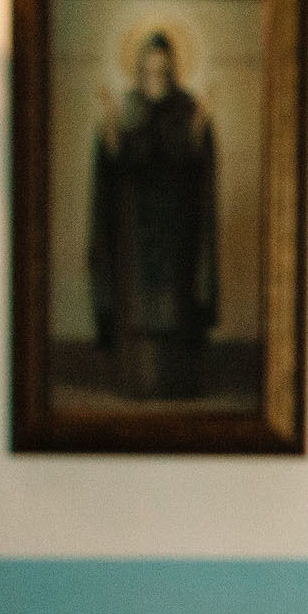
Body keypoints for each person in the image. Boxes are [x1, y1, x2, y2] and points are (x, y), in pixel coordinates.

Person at [89, 30, 218, 401]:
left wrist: (199, 130)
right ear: (139, 69)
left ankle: (177, 385)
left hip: (176, 230)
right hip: (135, 230)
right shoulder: (127, 107)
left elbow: (195, 168)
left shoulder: (187, 108)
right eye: (149, 70)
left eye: (162, 70)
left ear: (172, 69)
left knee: (176, 307)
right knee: (136, 308)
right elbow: (115, 169)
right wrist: (111, 134)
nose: (155, 76)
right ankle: (136, 383)